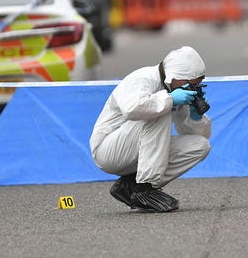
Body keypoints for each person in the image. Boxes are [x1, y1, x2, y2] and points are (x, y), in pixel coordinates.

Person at [89, 46, 211, 212]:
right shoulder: (142, 78)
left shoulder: (174, 89)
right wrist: (169, 100)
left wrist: (195, 117)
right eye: (189, 84)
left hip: (135, 153)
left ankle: (131, 185)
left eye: (197, 85)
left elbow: (191, 134)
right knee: (160, 112)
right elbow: (132, 109)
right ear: (173, 77)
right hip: (108, 150)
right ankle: (143, 191)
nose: (192, 89)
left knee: (200, 146)